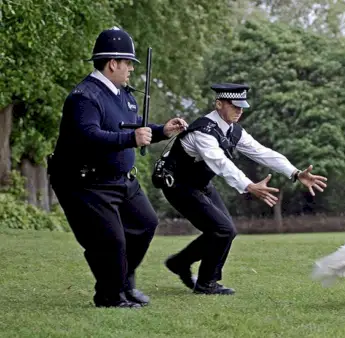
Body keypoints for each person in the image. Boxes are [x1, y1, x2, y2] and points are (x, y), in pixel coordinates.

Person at [48, 27, 187, 308]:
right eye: (129, 64)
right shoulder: (83, 97)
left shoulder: (124, 95)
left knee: (145, 224)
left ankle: (123, 283)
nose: (132, 70)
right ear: (113, 63)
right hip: (86, 183)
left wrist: (163, 131)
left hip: (121, 179)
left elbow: (133, 130)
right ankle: (110, 296)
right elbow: (88, 136)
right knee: (111, 242)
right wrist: (130, 138)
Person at [159, 83, 328, 295]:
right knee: (222, 230)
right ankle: (205, 284)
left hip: (199, 184)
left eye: (242, 107)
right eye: (235, 106)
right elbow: (221, 164)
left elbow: (261, 152)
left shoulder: (232, 130)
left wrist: (295, 173)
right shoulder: (204, 132)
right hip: (179, 186)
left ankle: (180, 263)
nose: (240, 111)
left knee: (226, 231)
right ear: (219, 103)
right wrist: (248, 185)